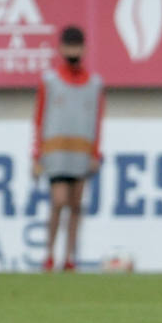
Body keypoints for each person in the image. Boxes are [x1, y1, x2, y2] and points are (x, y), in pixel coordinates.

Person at [32, 24, 106, 272]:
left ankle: (70, 257)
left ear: (84, 49)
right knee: (58, 201)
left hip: (80, 153)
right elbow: (39, 118)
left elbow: (97, 120)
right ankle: (49, 253)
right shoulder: (50, 81)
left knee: (75, 205)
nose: (73, 51)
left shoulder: (94, 84)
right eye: (69, 46)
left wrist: (96, 153)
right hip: (56, 153)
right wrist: (36, 154)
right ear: (61, 48)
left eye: (77, 46)